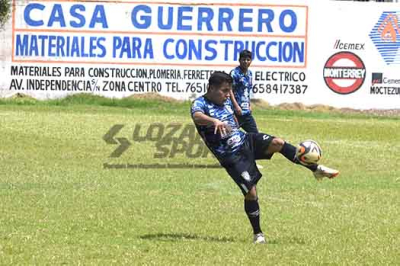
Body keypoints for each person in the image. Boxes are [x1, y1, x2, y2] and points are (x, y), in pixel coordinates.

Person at [190, 71, 339, 244]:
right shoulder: (200, 103)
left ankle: (316, 169)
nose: (227, 95)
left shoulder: (226, 100)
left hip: (245, 140)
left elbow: (234, 120)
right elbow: (197, 117)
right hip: (231, 155)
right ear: (212, 88)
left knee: (277, 142)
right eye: (224, 91)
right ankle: (258, 234)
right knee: (251, 193)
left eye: (229, 91)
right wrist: (214, 121)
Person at [230, 49, 258, 133]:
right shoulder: (234, 73)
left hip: (246, 111)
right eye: (243, 59)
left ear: (251, 61)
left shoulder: (249, 74)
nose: (246, 62)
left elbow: (247, 90)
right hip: (235, 112)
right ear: (239, 60)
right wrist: (236, 106)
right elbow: (229, 90)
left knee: (255, 135)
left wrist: (249, 105)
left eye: (248, 60)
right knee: (231, 135)